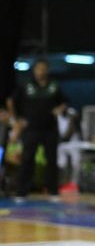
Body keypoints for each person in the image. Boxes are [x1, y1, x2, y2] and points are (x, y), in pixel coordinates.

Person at [7, 60, 67, 201]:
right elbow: (11, 101)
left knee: (51, 160)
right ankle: (21, 192)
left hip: (50, 129)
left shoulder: (54, 85)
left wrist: (59, 109)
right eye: (38, 69)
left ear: (47, 70)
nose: (41, 72)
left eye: (43, 69)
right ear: (34, 70)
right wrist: (16, 120)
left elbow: (64, 102)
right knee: (27, 159)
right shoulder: (26, 85)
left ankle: (53, 192)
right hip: (31, 129)